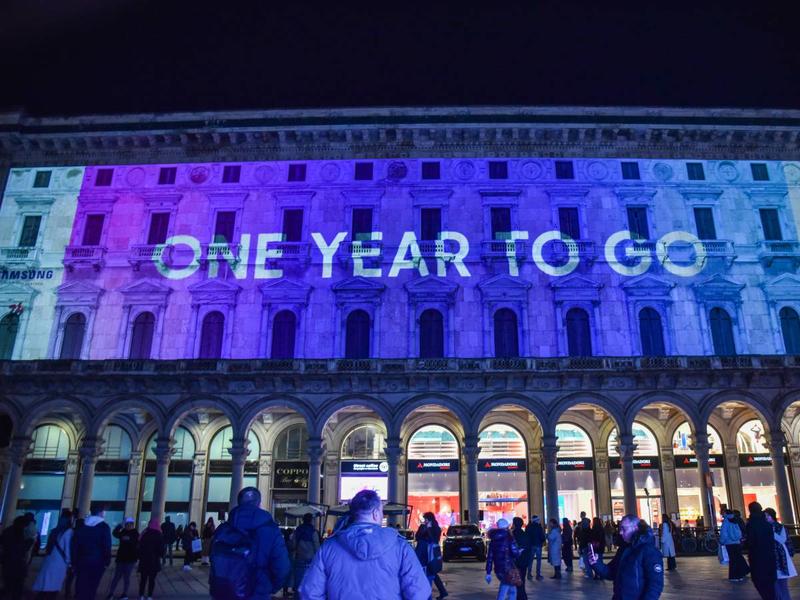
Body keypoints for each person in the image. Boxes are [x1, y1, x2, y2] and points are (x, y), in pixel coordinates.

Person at [299, 489, 430, 600]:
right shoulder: (400, 547)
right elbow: (419, 592)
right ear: (375, 513)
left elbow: (309, 592)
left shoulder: (328, 547)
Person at [209, 486, 291, 599]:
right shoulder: (271, 530)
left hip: (224, 590)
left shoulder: (223, 529)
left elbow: (213, 559)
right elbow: (282, 566)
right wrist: (272, 586)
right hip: (258, 590)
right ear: (259, 504)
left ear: (239, 503)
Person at [588, 514, 664, 600]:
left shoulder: (648, 550)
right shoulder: (623, 549)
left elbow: (655, 585)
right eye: (620, 529)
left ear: (635, 528)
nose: (620, 532)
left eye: (624, 529)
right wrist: (596, 563)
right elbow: (611, 572)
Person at [71, 504, 112, 600]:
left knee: (80, 587)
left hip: (81, 561)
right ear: (101, 513)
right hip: (97, 562)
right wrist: (107, 561)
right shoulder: (104, 527)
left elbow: (75, 545)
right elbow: (107, 546)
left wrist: (74, 562)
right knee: (91, 588)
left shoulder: (82, 525)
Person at [32, 512, 74, 599]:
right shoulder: (68, 532)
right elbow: (68, 549)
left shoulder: (55, 531)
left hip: (50, 560)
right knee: (52, 589)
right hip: (59, 563)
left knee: (45, 588)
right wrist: (70, 563)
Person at [746, 502, 778, 600]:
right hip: (769, 556)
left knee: (759, 581)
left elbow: (751, 541)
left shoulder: (751, 523)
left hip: (757, 557)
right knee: (770, 582)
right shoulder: (767, 523)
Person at [414, 512, 448, 600]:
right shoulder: (422, 526)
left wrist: (428, 529)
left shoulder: (436, 528)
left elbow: (434, 540)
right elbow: (417, 537)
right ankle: (442, 592)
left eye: (426, 519)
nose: (424, 521)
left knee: (431, 572)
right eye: (424, 519)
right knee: (430, 573)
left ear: (430, 519)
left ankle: (433, 594)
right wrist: (423, 529)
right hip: (422, 553)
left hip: (431, 553)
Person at [765, 508, 795, 600]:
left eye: (767, 516)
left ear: (771, 516)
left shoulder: (780, 527)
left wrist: (772, 533)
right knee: (773, 582)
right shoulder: (765, 527)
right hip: (770, 556)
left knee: (781, 582)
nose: (766, 518)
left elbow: (782, 540)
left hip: (780, 557)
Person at [486, 519, 521, 600]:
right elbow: (515, 553)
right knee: (504, 588)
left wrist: (488, 572)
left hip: (498, 568)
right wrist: (519, 552)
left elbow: (490, 557)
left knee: (513, 590)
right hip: (508, 568)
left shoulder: (493, 540)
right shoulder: (509, 538)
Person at [106, 517, 139, 600]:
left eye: (128, 525)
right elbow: (115, 533)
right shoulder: (123, 531)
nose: (127, 526)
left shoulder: (135, 533)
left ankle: (124, 594)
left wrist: (129, 540)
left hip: (130, 558)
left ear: (132, 525)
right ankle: (111, 593)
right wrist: (120, 525)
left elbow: (136, 543)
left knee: (126, 577)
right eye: (126, 524)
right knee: (116, 577)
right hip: (121, 558)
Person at [1, 515, 34, 599]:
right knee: (17, 588)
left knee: (8, 586)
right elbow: (22, 549)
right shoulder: (21, 534)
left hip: (7, 563)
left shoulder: (7, 531)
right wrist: (30, 542)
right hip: (18, 565)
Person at [290, 513, 321, 597]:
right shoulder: (314, 532)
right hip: (311, 562)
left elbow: (293, 545)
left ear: (303, 520)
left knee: (298, 584)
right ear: (311, 520)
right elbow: (317, 548)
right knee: (310, 585)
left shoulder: (298, 530)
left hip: (299, 560)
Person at [720, 509, 750, 582]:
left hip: (729, 543)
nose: (722, 514)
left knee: (733, 560)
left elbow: (724, 533)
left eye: (723, 513)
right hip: (737, 542)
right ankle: (740, 575)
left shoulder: (726, 521)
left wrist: (722, 541)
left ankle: (734, 576)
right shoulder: (735, 520)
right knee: (737, 558)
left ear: (725, 513)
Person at [138, 518, 164, 600]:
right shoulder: (159, 534)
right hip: (154, 561)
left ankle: (141, 595)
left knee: (143, 579)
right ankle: (149, 596)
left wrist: (140, 556)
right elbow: (161, 549)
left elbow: (139, 545)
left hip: (144, 561)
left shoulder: (144, 533)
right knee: (152, 580)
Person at [511, 517, 530, 600]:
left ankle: (521, 597)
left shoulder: (512, 535)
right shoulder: (525, 534)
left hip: (515, 562)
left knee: (516, 583)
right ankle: (522, 597)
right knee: (521, 581)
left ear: (514, 524)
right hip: (524, 561)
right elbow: (528, 548)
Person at [524, 515, 544, 581]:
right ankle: (538, 575)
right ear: (537, 520)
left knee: (530, 560)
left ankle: (529, 574)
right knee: (538, 561)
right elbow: (542, 536)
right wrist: (542, 541)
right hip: (538, 545)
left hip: (531, 545)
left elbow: (526, 536)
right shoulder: (539, 526)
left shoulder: (528, 527)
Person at [576, 512, 591, 578]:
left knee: (586, 559)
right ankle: (588, 571)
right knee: (586, 559)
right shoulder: (588, 529)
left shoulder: (583, 529)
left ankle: (589, 572)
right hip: (586, 545)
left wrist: (580, 546)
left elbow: (583, 538)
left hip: (585, 545)